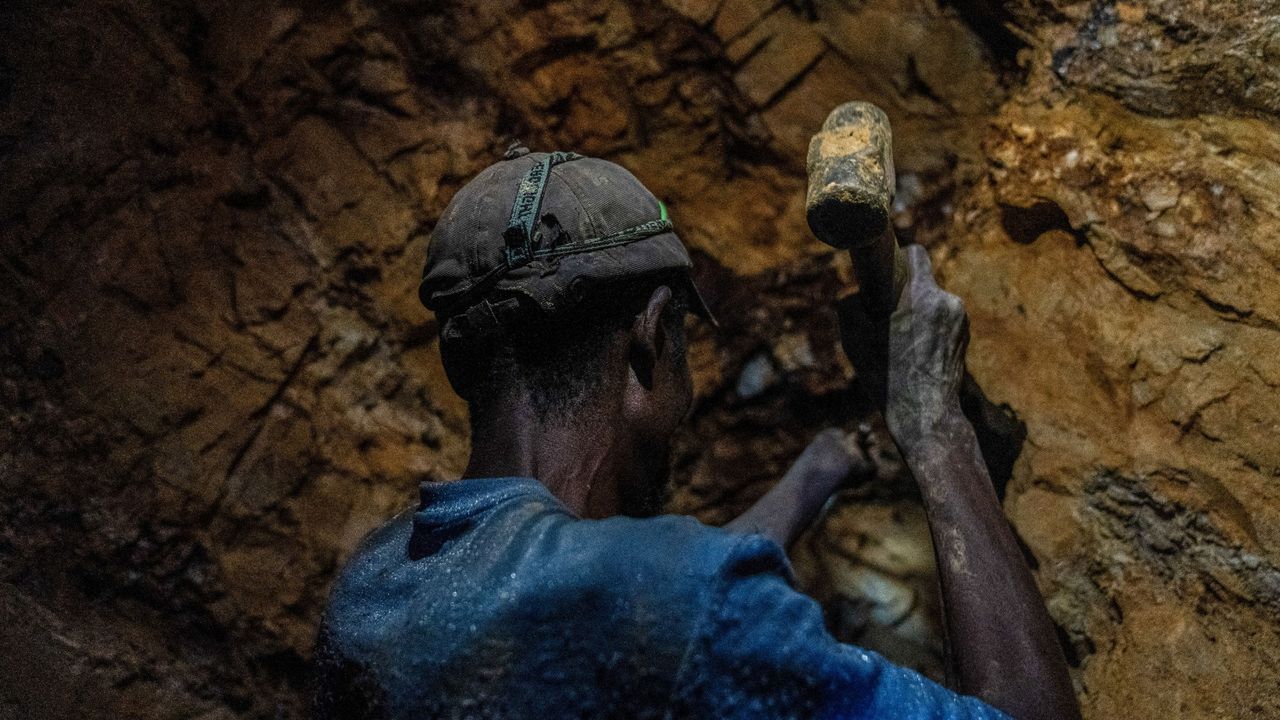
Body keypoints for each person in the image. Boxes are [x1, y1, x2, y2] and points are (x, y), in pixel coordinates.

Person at [312, 146, 1081, 719]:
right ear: (650, 338)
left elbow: (655, 589)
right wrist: (935, 427)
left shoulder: (372, 593)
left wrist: (819, 468)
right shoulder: (679, 604)